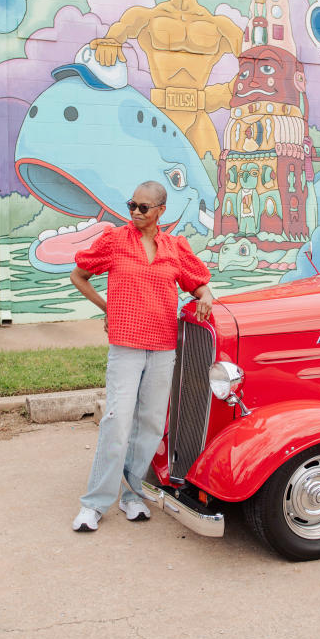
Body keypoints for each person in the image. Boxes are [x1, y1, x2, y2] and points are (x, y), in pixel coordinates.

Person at [69, 180, 214, 532]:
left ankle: (133, 496)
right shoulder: (115, 241)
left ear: (160, 211)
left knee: (150, 423)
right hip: (127, 345)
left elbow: (197, 280)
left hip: (163, 346)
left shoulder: (174, 247)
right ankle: (94, 504)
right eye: (132, 204)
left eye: (143, 207)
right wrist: (108, 308)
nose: (134, 212)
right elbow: (79, 275)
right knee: (117, 420)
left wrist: (205, 295)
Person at [88, 0, 243, 163]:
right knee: (149, 180)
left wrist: (224, 93)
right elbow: (112, 40)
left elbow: (256, 65)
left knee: (212, 181)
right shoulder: (145, 18)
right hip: (160, 115)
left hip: (200, 117)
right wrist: (109, 46)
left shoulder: (220, 26)